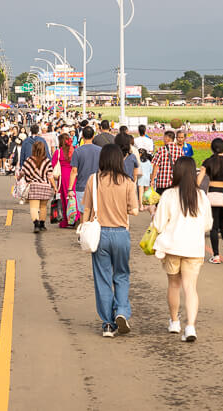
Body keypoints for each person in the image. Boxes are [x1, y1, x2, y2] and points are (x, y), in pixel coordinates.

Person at [81, 143, 139, 337]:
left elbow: (87, 209)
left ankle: (107, 324)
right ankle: (121, 311)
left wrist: (83, 229)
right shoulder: (128, 182)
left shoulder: (94, 180)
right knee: (121, 275)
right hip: (121, 233)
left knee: (102, 278)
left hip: (100, 234)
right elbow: (134, 210)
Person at [153, 156, 213, 342]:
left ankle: (174, 322)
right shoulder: (201, 196)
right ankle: (191, 327)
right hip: (193, 248)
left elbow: (159, 224)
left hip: (172, 247)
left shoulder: (169, 195)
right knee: (190, 288)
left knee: (174, 285)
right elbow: (208, 225)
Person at [201, 138, 223, 264]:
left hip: (213, 195)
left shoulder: (207, 162)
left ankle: (216, 255)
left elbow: (199, 180)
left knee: (214, 226)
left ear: (211, 148)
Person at [20, 139, 56, 232]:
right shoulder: (47, 161)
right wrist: (55, 187)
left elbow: (23, 172)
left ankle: (36, 224)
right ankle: (42, 224)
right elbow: (50, 175)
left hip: (34, 186)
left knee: (34, 207)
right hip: (45, 186)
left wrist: (19, 178)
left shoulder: (29, 160)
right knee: (43, 207)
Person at [71, 126, 103, 211]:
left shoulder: (77, 151)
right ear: (93, 136)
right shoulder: (100, 150)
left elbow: (74, 171)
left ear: (82, 136)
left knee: (83, 213)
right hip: (97, 185)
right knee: (95, 212)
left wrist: (70, 188)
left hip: (81, 186)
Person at [52, 132, 79, 228]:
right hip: (74, 175)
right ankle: (76, 217)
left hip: (62, 177)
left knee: (63, 198)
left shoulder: (58, 152)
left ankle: (66, 220)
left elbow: (53, 164)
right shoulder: (74, 150)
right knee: (74, 197)